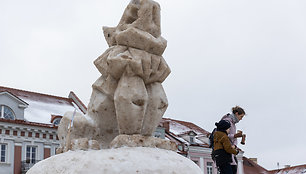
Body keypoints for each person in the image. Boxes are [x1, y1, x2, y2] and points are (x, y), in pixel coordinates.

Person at [221, 106, 246, 174]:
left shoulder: (233, 124)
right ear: (237, 114)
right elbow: (222, 135)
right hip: (224, 152)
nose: (241, 119)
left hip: (231, 153)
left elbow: (233, 138)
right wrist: (235, 135)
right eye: (241, 117)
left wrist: (234, 145)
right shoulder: (226, 121)